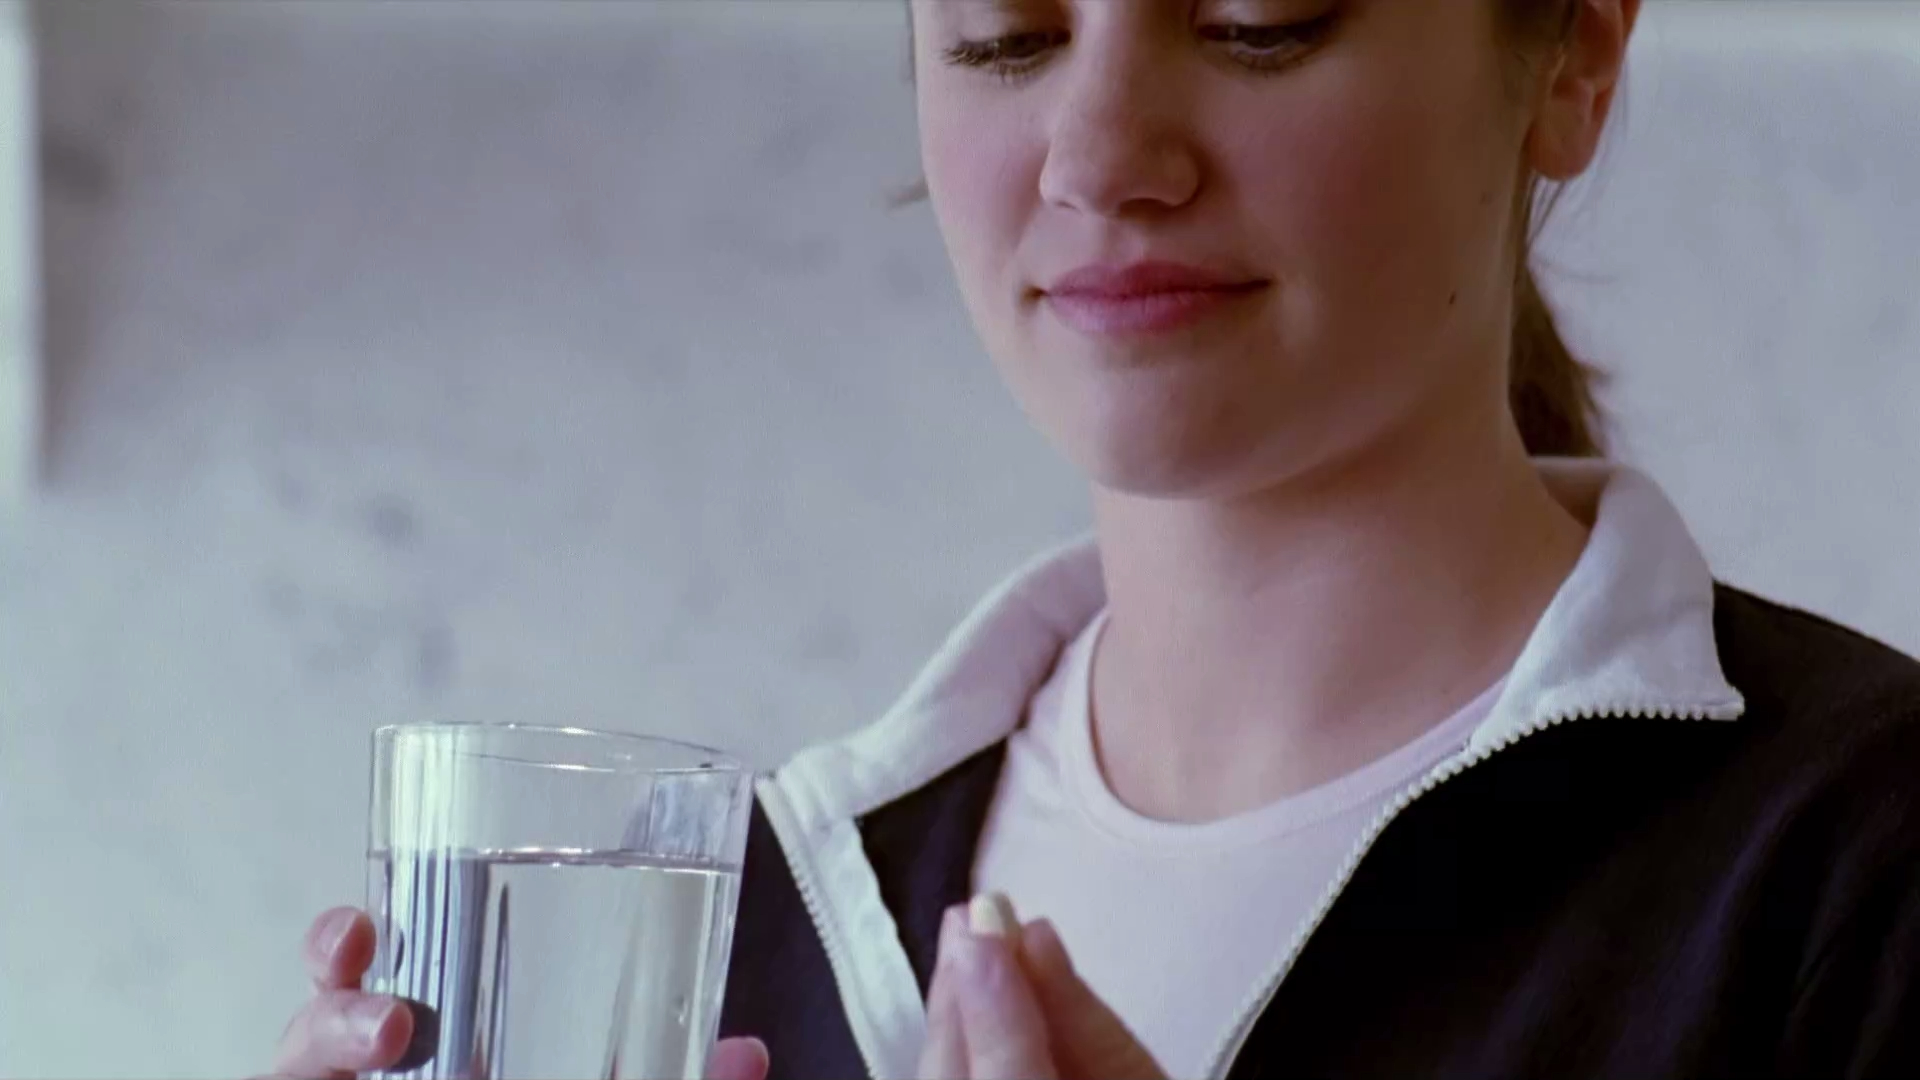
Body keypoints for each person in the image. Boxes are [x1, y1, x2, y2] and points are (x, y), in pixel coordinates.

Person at [267, 1, 1920, 1077]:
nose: (1102, 156)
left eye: (1257, 22)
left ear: (1574, 57)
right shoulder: (762, 930)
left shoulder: (1857, 863)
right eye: (1007, 37)